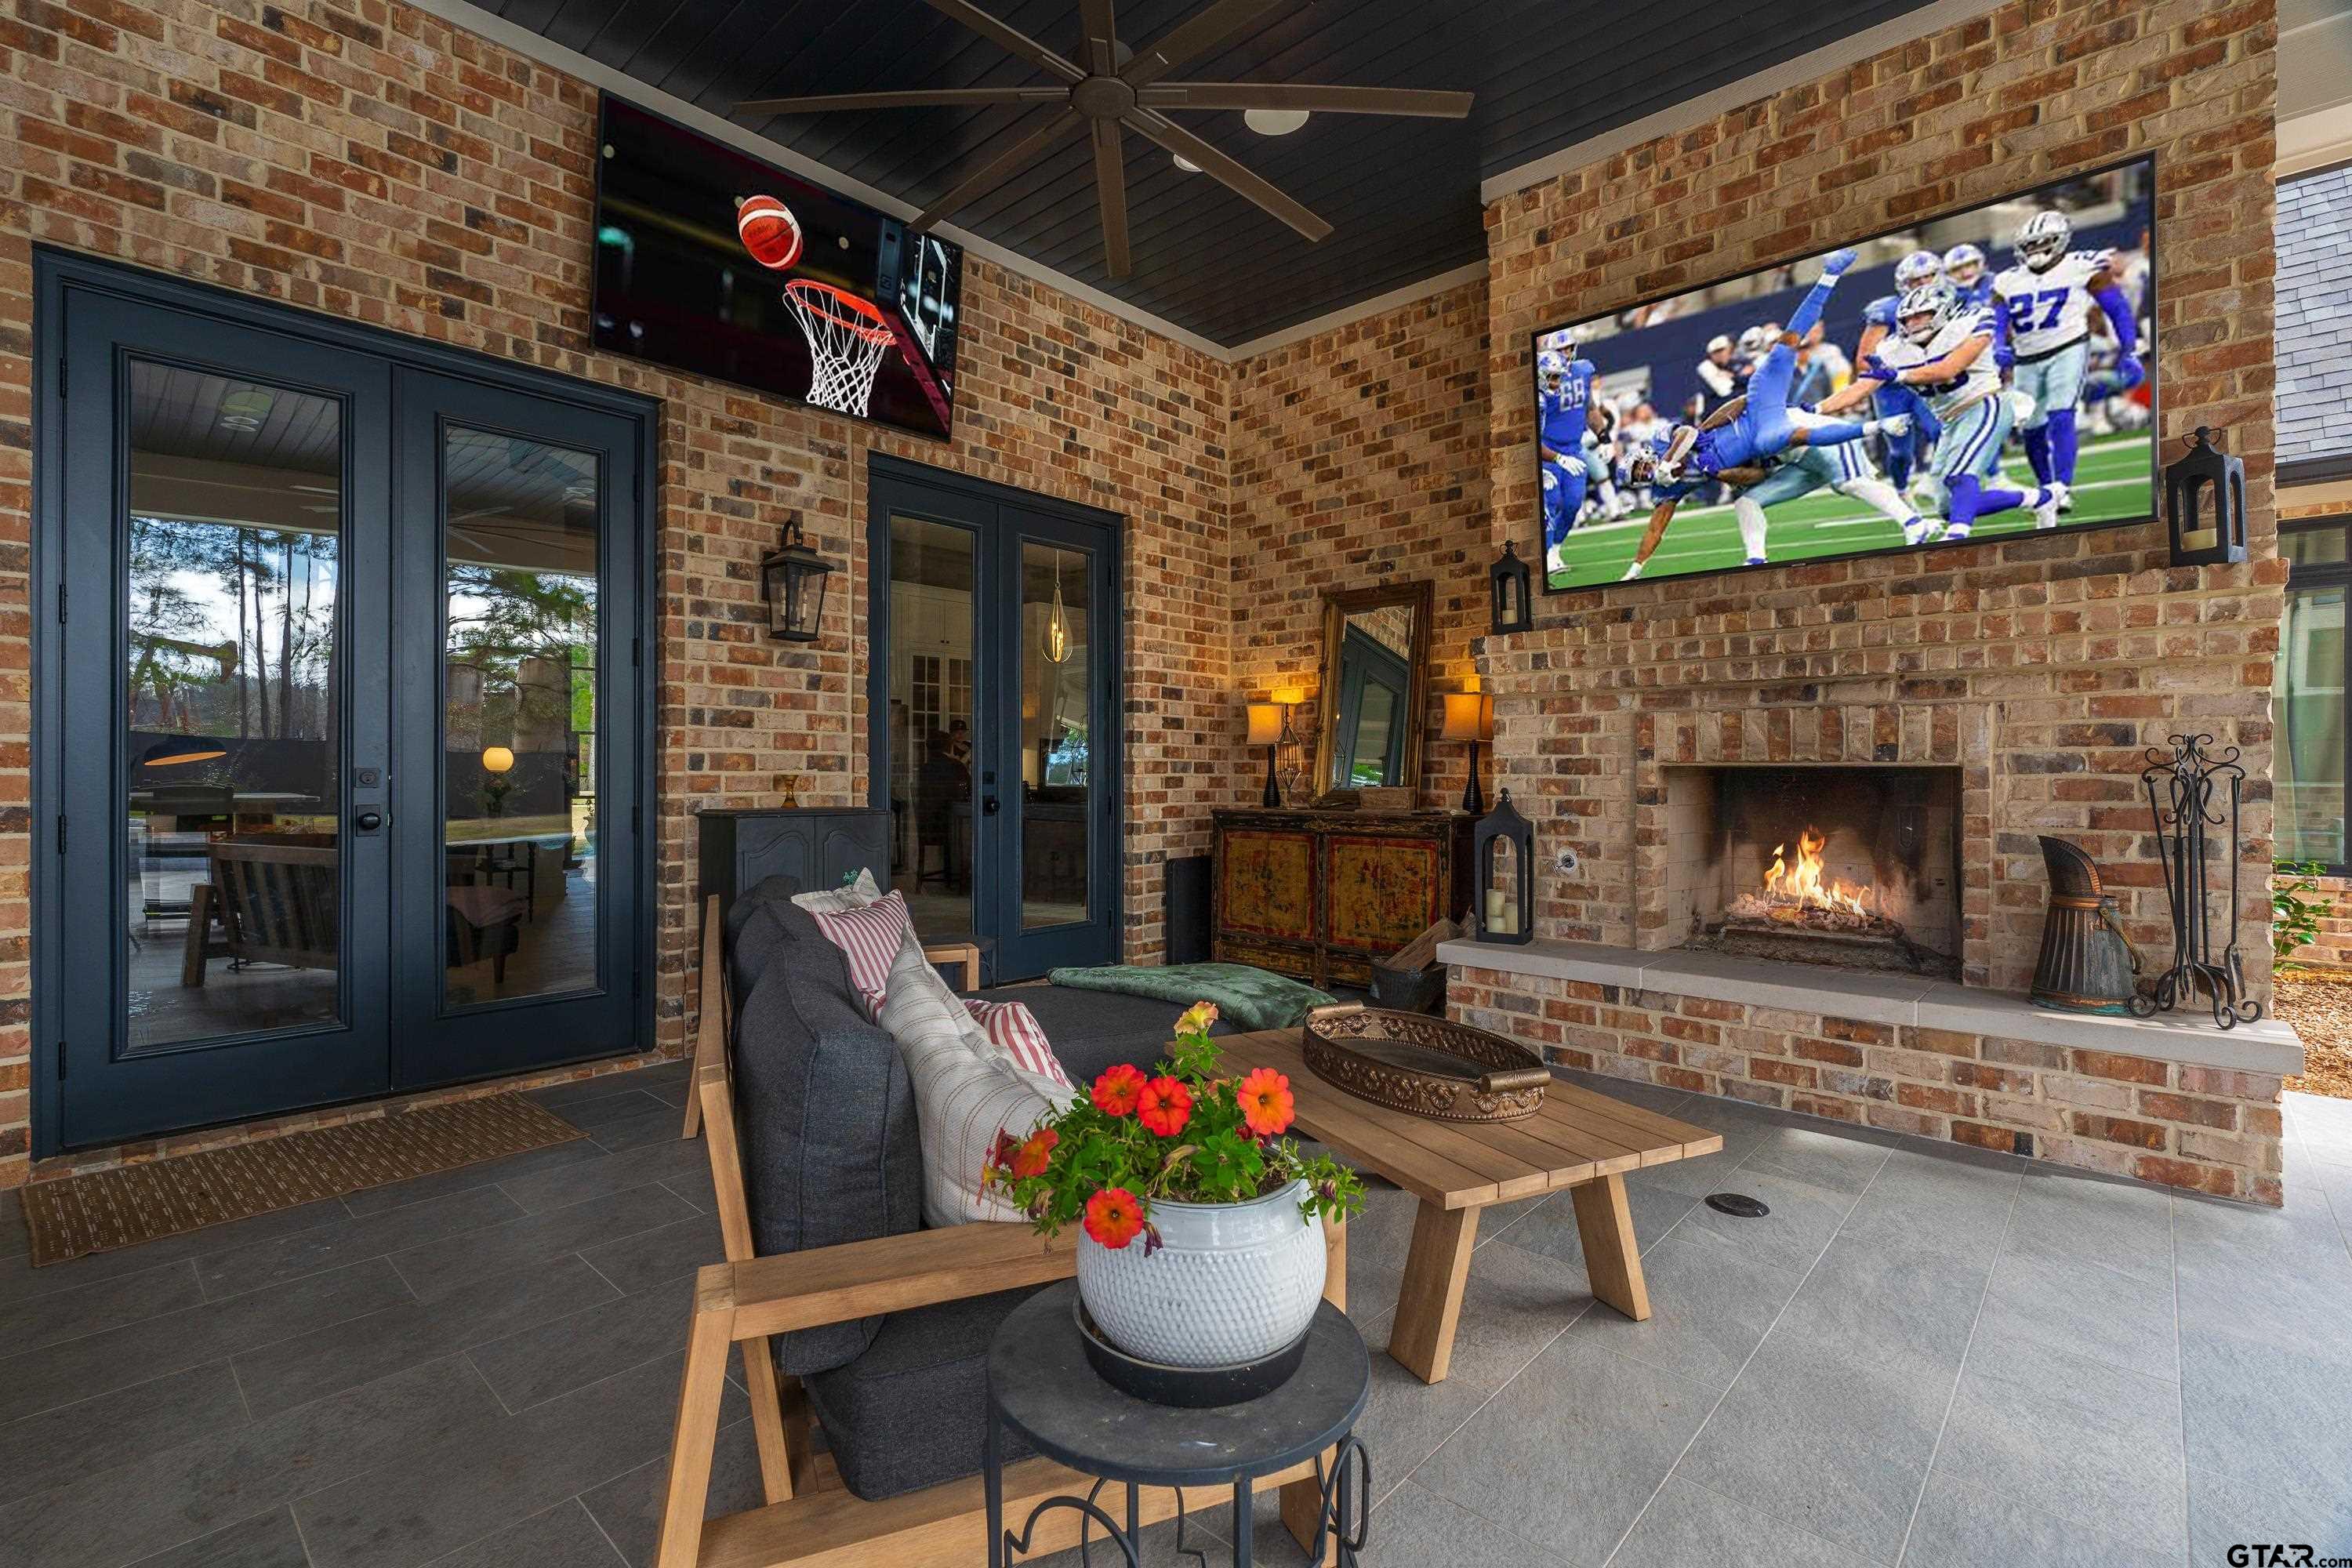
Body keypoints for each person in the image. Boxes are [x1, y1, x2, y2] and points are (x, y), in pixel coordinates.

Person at [1629, 249, 1900, 492]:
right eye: (1644, 475)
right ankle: (1877, 427)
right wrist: (1720, 474)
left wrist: (1670, 461)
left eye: (1643, 468)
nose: (1648, 471)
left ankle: (1830, 274)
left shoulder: (1673, 443)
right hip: (1765, 438)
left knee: (1787, 344)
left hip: (1761, 408)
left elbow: (1710, 419)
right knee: (1791, 438)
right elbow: (1759, 475)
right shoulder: (1692, 475)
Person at [1819, 279, 2063, 542]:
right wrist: (1818, 408)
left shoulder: (1970, 323)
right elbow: (1860, 388)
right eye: (1908, 319)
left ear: (1942, 312)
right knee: (1948, 507)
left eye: (1921, 316)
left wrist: (1897, 375)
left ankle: (1956, 537)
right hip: (1950, 421)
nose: (1914, 324)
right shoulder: (1896, 348)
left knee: (1960, 477)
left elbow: (1949, 369)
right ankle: (2041, 498)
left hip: (1984, 405)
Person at [1991, 209, 2142, 505]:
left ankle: (2062, 488)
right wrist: (1997, 347)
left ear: (2060, 240)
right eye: (2030, 245)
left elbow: (2118, 308)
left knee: (2061, 414)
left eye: (2042, 242)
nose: (2035, 250)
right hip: (2026, 357)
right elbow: (1998, 320)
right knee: (2031, 427)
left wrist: (2129, 347)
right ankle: (2046, 487)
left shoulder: (2083, 266)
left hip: (2068, 348)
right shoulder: (2007, 279)